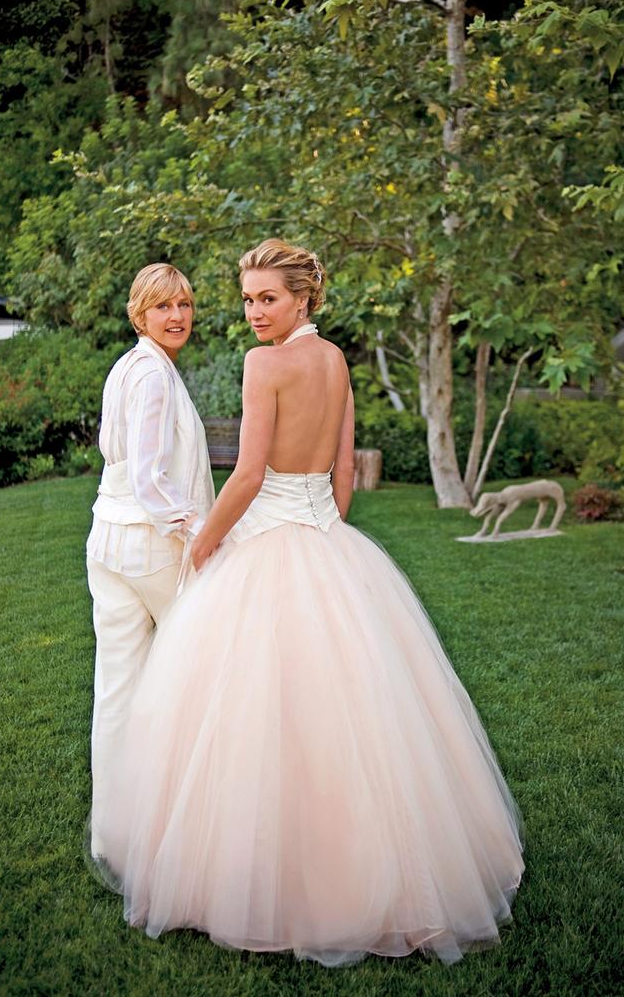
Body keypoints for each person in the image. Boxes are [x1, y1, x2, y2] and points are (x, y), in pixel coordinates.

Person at [96, 240, 524, 967]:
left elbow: (251, 473)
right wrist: (325, 523)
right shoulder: (334, 361)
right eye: (247, 300)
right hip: (330, 541)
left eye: (268, 299)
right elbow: (343, 474)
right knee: (355, 713)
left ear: (303, 298)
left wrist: (204, 545)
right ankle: (371, 867)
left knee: (248, 714)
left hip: (267, 539)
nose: (253, 313)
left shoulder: (266, 365)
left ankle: (265, 878)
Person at [86, 262, 214, 860]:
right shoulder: (154, 376)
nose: (177, 317)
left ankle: (117, 832)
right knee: (200, 669)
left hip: (106, 540)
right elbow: (147, 477)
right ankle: (188, 820)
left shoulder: (129, 367)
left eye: (184, 305)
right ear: (140, 312)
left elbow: (115, 459)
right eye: (163, 306)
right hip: (148, 544)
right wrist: (198, 528)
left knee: (118, 685)